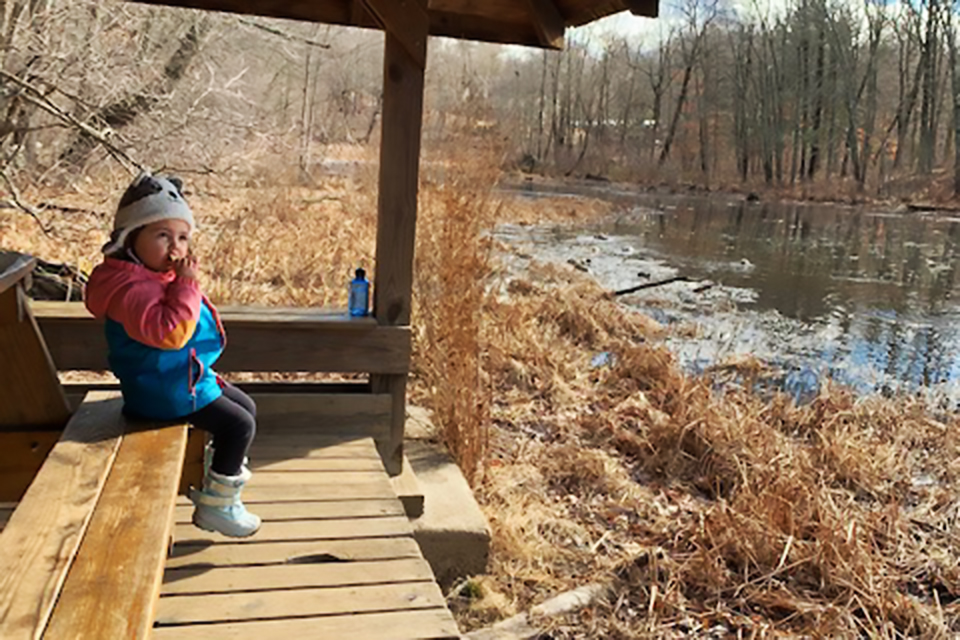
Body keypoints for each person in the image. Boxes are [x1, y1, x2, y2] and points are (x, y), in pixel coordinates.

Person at [84, 172, 260, 538]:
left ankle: (214, 478)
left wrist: (180, 284)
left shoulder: (146, 276)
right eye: (162, 235)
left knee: (247, 407)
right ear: (130, 238)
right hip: (163, 391)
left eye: (182, 237)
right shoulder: (131, 288)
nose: (175, 247)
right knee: (239, 425)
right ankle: (217, 505)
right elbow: (169, 334)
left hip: (172, 377)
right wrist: (187, 285)